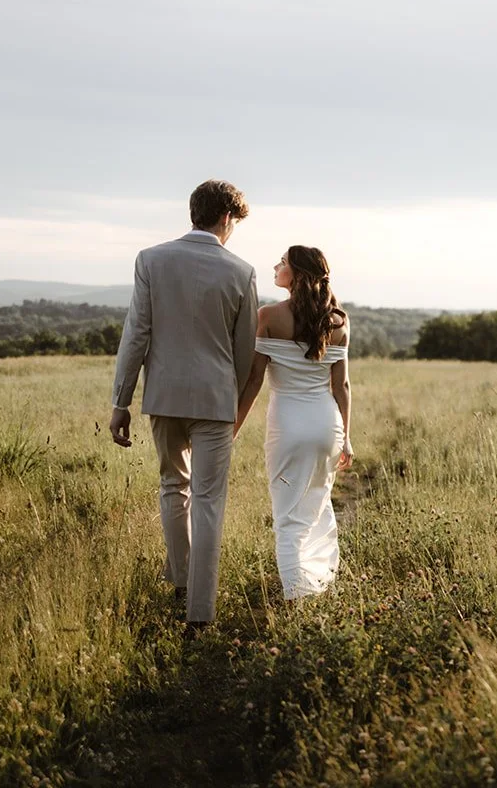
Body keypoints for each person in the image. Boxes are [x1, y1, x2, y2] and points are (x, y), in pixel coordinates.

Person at [109, 180, 259, 630]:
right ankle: (201, 612)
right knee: (209, 500)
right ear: (227, 218)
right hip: (215, 400)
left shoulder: (151, 260)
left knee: (173, 486)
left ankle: (179, 580)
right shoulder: (242, 272)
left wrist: (121, 402)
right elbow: (245, 351)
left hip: (164, 396)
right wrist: (228, 398)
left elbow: (136, 334)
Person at [234, 245, 353, 600]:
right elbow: (341, 386)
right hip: (327, 426)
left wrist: (234, 428)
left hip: (288, 426)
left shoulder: (268, 316)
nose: (275, 266)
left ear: (297, 274)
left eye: (282, 263)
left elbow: (253, 381)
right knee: (318, 504)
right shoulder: (339, 321)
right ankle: (319, 583)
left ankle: (297, 597)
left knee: (287, 518)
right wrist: (346, 437)